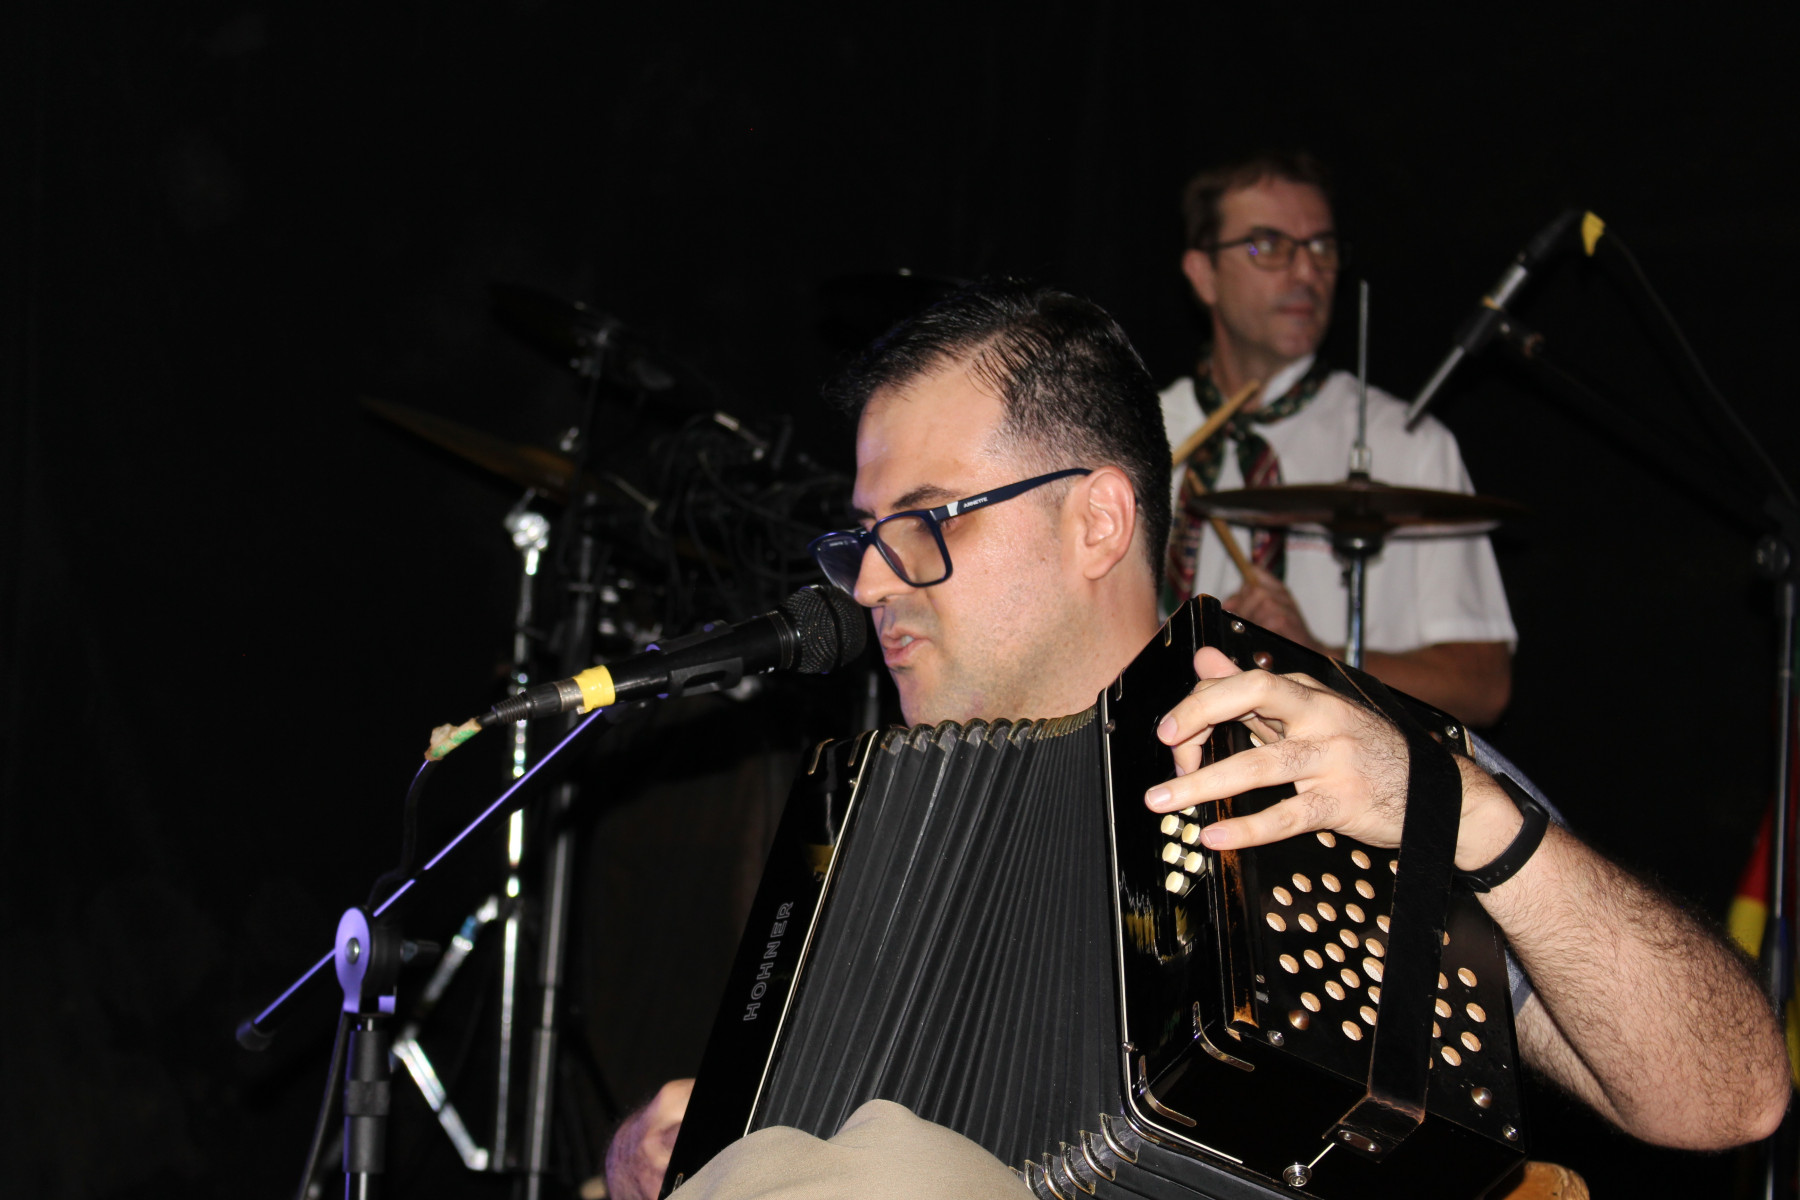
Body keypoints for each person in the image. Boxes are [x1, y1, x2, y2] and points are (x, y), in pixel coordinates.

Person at [605, 282, 1787, 1199]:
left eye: (923, 524)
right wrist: (694, 1152)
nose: (870, 583)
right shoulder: (886, 828)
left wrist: (1459, 811)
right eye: (862, 536)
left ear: (1098, 522)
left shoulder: (1328, 749)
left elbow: (1733, 1097)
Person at [1164, 152, 1515, 727]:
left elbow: (1483, 685)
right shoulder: (1142, 434)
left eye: (1322, 248)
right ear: (1203, 274)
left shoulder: (1408, 445)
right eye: (1268, 246)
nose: (1307, 273)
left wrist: (1315, 657)